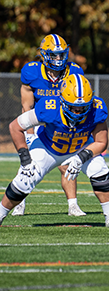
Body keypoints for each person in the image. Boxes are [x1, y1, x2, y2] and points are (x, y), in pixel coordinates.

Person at [0, 74, 109, 229]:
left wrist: (81, 157)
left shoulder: (96, 109)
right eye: (74, 107)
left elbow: (101, 142)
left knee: (99, 169)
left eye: (83, 107)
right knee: (25, 181)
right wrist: (25, 160)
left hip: (79, 147)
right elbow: (15, 127)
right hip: (48, 148)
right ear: (63, 100)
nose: (79, 111)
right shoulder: (49, 108)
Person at [13, 34, 86, 217]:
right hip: (38, 121)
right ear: (44, 55)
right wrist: (29, 134)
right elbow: (26, 106)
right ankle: (19, 202)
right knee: (28, 165)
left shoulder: (74, 71)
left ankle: (73, 205)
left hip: (61, 122)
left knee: (67, 164)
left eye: (61, 54)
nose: (59, 59)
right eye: (54, 55)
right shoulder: (32, 72)